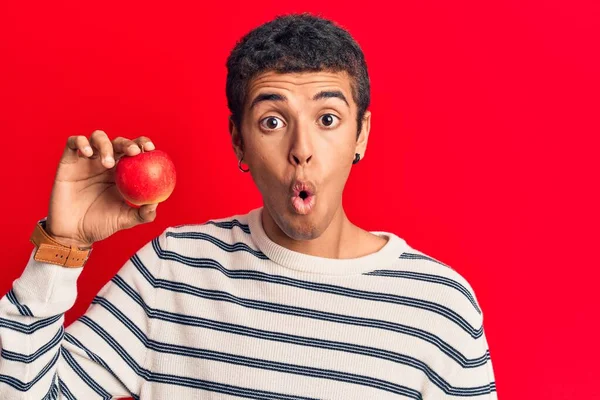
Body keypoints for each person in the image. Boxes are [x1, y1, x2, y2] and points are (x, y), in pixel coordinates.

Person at [0, 13, 497, 399]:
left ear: (361, 134)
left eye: (327, 118)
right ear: (239, 142)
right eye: (272, 122)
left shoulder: (438, 307)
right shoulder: (173, 269)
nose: (301, 148)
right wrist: (61, 247)